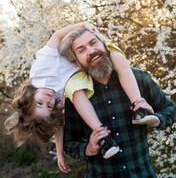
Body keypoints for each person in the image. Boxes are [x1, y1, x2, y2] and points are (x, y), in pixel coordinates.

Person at [5, 22, 158, 173]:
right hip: (81, 67)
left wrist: (82, 25)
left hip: (87, 48)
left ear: (29, 96)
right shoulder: (56, 97)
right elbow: (57, 126)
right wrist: (59, 154)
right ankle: (104, 137)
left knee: (117, 57)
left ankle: (139, 107)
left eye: (39, 103)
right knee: (76, 91)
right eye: (49, 107)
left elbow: (57, 36)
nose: (47, 101)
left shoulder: (41, 69)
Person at [60, 27, 176, 177]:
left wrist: (157, 120)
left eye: (93, 43)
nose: (91, 51)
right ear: (77, 62)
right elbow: (68, 143)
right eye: (81, 50)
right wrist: (88, 149)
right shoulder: (77, 98)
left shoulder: (138, 79)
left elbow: (171, 109)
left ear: (104, 45)